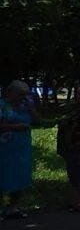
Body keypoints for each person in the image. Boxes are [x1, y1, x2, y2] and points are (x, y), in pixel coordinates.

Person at [0, 80, 36, 218]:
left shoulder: (25, 106)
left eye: (25, 94)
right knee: (3, 176)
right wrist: (16, 127)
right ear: (10, 92)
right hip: (4, 148)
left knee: (20, 175)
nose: (23, 97)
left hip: (22, 147)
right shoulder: (2, 105)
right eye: (20, 94)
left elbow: (37, 121)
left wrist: (31, 107)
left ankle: (13, 207)